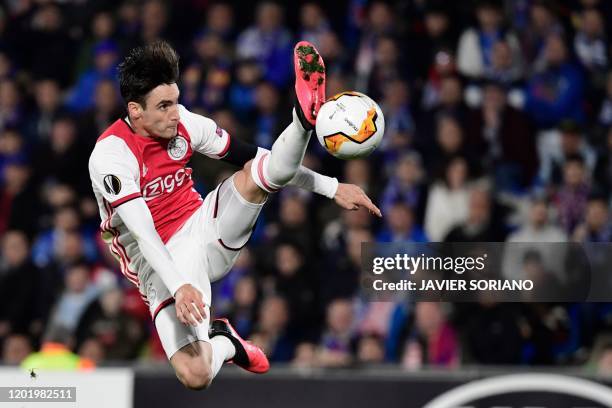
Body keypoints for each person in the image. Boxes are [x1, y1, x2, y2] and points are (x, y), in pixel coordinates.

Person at [88, 40, 380, 390]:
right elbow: (142, 232)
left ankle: (303, 119)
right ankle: (226, 341)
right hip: (160, 259)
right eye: (164, 106)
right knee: (195, 375)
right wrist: (180, 285)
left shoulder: (185, 124)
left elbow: (264, 160)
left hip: (204, 225)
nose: (175, 113)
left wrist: (331, 187)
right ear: (135, 111)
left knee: (256, 176)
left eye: (176, 101)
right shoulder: (110, 156)